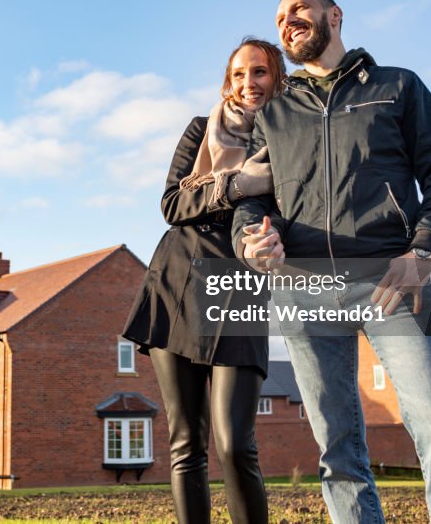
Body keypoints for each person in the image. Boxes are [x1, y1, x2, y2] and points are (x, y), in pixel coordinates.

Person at [232, 0, 431, 523]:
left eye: (298, 9)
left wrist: (422, 251)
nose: (287, 21)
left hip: (392, 278)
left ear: (335, 16)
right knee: (336, 443)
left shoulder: (398, 87)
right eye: (279, 17)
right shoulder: (274, 112)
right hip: (303, 288)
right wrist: (252, 239)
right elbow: (251, 200)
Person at [123, 37, 286, 524]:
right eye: (238, 74)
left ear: (276, 77)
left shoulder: (292, 138)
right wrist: (235, 186)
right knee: (185, 443)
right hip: (177, 280)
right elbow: (173, 204)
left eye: (258, 72)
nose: (248, 83)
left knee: (236, 444)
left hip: (240, 285)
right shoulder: (201, 129)